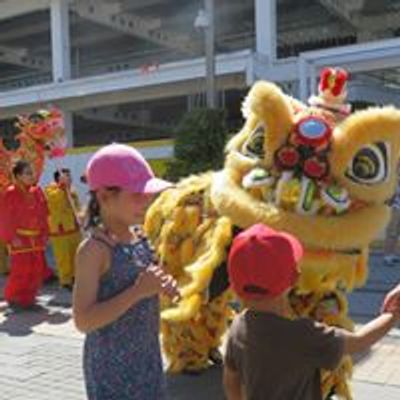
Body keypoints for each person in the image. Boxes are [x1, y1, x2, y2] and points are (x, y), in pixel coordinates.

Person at [223, 224, 400, 400]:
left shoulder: (238, 327)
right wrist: (392, 315)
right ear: (295, 277)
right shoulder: (303, 335)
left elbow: (231, 381)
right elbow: (360, 341)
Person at [73, 143, 179, 400]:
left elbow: (146, 285)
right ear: (105, 197)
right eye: (136, 195)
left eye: (147, 194)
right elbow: (83, 320)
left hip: (147, 360)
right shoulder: (95, 250)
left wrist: (162, 286)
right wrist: (139, 291)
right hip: (113, 369)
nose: (146, 201)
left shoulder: (139, 237)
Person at [0, 160, 49, 308]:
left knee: (36, 269)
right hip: (20, 239)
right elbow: (4, 217)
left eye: (32, 173)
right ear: (18, 176)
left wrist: (45, 233)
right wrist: (11, 237)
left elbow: (44, 213)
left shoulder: (37, 191)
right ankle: (13, 298)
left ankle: (29, 299)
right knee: (21, 270)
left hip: (36, 238)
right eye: (28, 173)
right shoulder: (10, 193)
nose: (31, 176)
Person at [45, 168, 81, 290]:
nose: (69, 179)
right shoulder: (51, 190)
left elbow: (77, 207)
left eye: (70, 177)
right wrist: (62, 188)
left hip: (74, 228)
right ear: (58, 179)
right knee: (63, 257)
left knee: (76, 255)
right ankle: (66, 280)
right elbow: (55, 202)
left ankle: (76, 277)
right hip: (60, 230)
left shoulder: (72, 191)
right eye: (66, 177)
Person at [383, 175, 400, 266]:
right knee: (392, 232)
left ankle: (392, 254)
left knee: (397, 233)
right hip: (396, 208)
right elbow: (390, 196)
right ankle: (387, 255)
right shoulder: (394, 181)